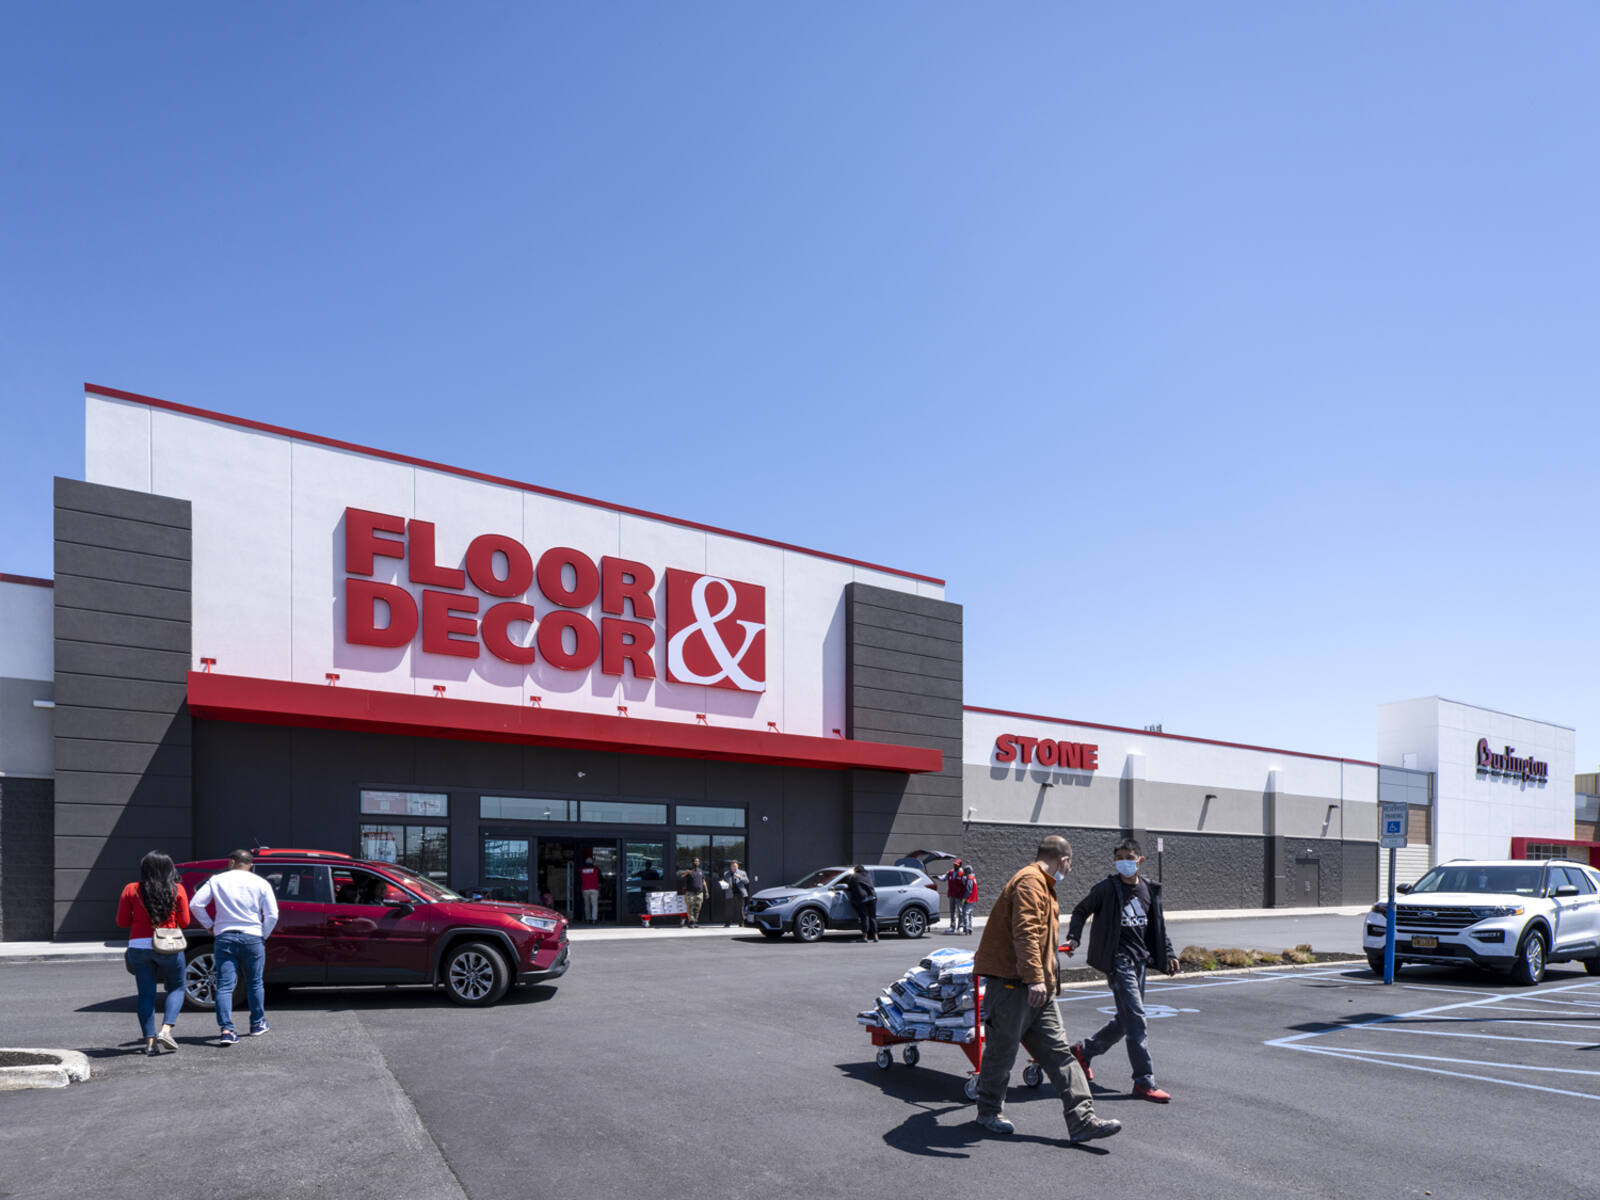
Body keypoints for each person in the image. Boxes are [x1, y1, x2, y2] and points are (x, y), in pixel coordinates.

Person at [971, 835, 1121, 1144]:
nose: (1069, 869)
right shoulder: (1029, 882)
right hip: (1015, 985)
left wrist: (1043, 981)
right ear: (1063, 859)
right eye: (1070, 863)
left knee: (1060, 1054)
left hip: (1038, 989)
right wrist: (1034, 978)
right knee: (1002, 1051)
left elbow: (1041, 940)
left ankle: (1083, 1120)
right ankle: (988, 1111)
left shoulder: (1044, 886)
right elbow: (1025, 933)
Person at [1063, 837, 1178, 1103]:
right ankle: (1144, 1082)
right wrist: (1074, 937)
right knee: (1136, 1018)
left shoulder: (1149, 889)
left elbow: (1158, 927)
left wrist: (1169, 953)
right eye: (1119, 858)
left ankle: (1083, 1052)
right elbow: (1081, 911)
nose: (1123, 862)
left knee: (1126, 1020)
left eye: (1129, 856)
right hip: (1118, 961)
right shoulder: (1106, 889)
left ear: (1140, 859)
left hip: (1140, 961)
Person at [190, 848, 279, 1045]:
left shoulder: (217, 880)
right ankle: (257, 1023)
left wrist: (210, 926)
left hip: (225, 937)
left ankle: (227, 1030)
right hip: (253, 937)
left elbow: (196, 904)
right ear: (251, 865)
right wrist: (262, 935)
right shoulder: (261, 883)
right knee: (255, 982)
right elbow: (272, 914)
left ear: (231, 862)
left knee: (225, 986)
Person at [116, 851, 191, 1056]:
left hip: (138, 946)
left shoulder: (131, 889)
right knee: (176, 987)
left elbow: (122, 922)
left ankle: (149, 1043)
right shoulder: (178, 889)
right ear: (169, 869)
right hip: (169, 944)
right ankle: (166, 1030)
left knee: (146, 994)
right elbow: (185, 923)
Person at [843, 865, 878, 942]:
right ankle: (876, 936)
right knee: (873, 917)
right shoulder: (868, 875)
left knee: (865, 918)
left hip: (863, 899)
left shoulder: (854, 876)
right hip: (873, 897)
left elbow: (849, 887)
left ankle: (865, 937)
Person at [679, 857, 709, 927]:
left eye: (697, 861)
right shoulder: (689, 870)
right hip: (690, 893)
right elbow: (682, 876)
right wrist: (687, 872)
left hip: (699, 893)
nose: (696, 862)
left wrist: (707, 891)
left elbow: (703, 881)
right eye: (695, 861)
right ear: (692, 862)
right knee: (690, 907)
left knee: (698, 908)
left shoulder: (700, 871)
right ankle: (691, 922)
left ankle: (695, 921)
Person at [722, 860, 750, 927]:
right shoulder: (726, 873)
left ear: (737, 866)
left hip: (739, 893)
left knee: (740, 909)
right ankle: (727, 923)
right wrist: (723, 883)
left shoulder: (742, 872)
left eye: (735, 866)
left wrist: (740, 877)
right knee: (729, 909)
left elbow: (747, 881)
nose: (733, 867)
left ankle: (741, 923)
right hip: (730, 893)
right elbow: (724, 881)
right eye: (732, 866)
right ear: (730, 867)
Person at [943, 858, 966, 932]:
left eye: (956, 865)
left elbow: (965, 884)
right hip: (951, 895)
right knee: (952, 911)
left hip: (959, 896)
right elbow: (943, 878)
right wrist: (936, 877)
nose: (955, 866)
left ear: (960, 866)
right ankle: (952, 927)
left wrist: (965, 896)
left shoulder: (962, 874)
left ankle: (960, 926)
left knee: (960, 911)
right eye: (954, 865)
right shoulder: (950, 872)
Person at [579, 856, 601, 922]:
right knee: (594, 905)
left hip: (585, 888)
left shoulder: (581, 870)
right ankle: (594, 919)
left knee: (587, 904)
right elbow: (601, 878)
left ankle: (587, 918)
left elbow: (579, 880)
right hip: (594, 888)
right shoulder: (596, 869)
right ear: (592, 862)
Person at [958, 865, 977, 935]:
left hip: (968, 899)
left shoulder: (969, 879)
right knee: (970, 914)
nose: (964, 872)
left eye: (965, 871)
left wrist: (964, 898)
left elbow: (968, 890)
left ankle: (966, 929)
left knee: (965, 914)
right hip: (973, 899)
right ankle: (970, 928)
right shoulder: (973, 878)